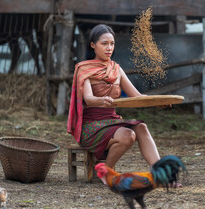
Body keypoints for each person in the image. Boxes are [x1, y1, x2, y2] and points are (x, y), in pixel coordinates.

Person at [67, 24, 160, 169]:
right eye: (104, 44)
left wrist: (157, 102)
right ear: (93, 45)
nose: (109, 48)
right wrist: (101, 100)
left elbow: (137, 96)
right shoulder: (84, 69)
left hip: (112, 122)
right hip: (91, 126)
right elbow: (89, 99)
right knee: (128, 135)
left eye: (112, 44)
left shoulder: (116, 69)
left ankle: (162, 174)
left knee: (141, 127)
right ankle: (106, 173)